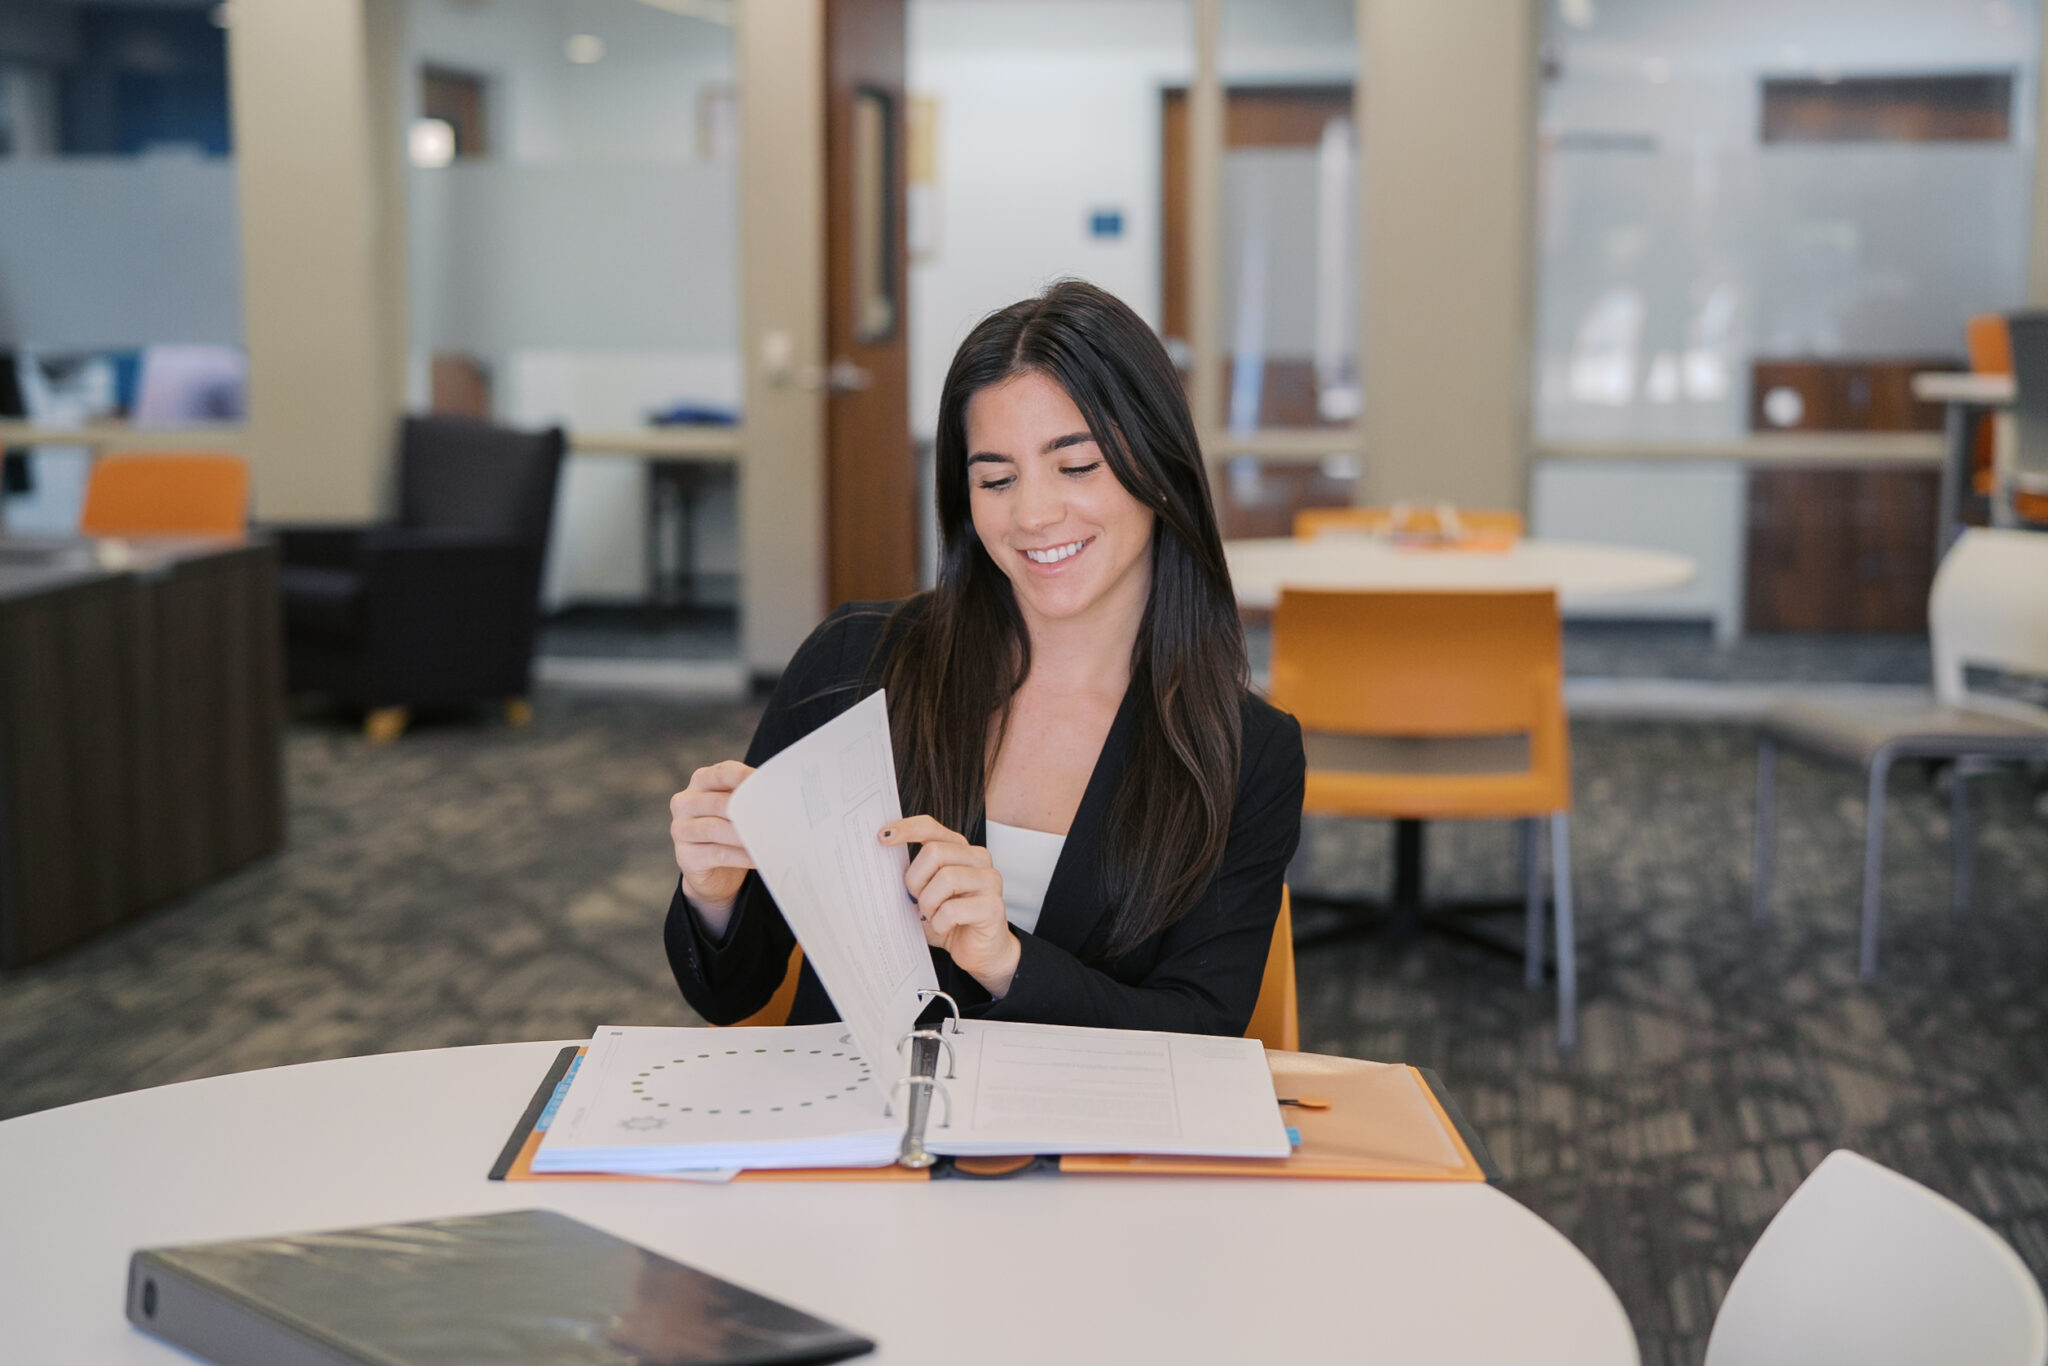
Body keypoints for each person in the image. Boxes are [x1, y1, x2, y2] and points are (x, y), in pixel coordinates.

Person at [664, 279, 1304, 1036]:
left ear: (1159, 469)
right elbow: (732, 994)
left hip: (1079, 1145)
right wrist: (714, 892)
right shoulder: (856, 666)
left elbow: (1200, 1032)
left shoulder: (1242, 751)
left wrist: (1007, 961)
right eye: (996, 479)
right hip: (856, 1140)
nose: (1033, 514)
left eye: (1077, 466)